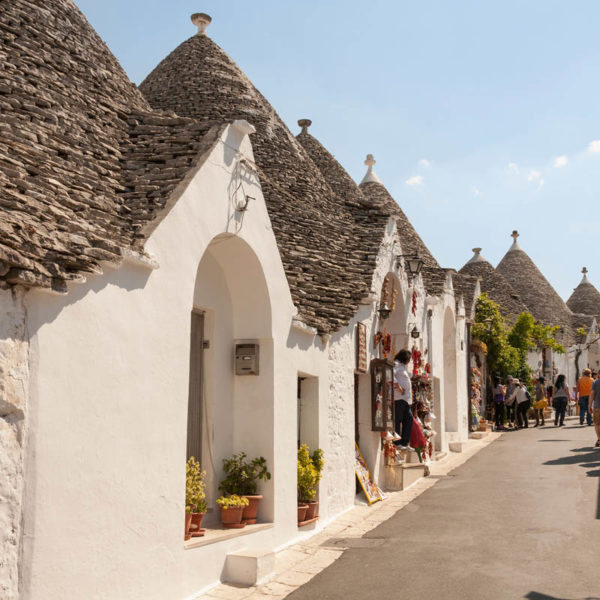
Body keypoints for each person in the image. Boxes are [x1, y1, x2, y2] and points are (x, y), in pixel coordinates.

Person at [392, 349, 413, 450]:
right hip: (398, 397)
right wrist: (399, 387)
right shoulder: (396, 364)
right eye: (408, 359)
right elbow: (390, 374)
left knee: (408, 419)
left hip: (406, 399)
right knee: (397, 420)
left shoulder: (403, 367)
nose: (409, 361)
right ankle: (397, 443)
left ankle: (405, 443)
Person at [591, 372, 600, 448]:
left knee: (597, 424)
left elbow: (592, 394)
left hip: (597, 406)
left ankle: (599, 439)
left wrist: (589, 405)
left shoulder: (595, 382)